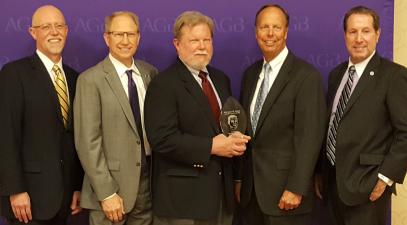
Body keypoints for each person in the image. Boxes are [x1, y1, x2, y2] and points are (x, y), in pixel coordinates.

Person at [144, 11, 250, 225]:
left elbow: (224, 125)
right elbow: (161, 139)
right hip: (184, 203)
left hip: (222, 197)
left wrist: (235, 140)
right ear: (177, 44)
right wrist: (211, 146)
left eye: (206, 40)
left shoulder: (221, 79)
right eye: (194, 40)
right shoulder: (163, 84)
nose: (202, 46)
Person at [314, 5, 407, 225]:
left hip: (368, 188)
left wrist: (385, 177)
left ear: (378, 34)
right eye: (352, 32)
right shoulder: (336, 74)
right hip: (333, 187)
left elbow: (405, 132)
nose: (359, 39)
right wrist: (320, 172)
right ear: (345, 35)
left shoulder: (394, 76)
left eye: (365, 31)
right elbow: (331, 126)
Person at [237, 4, 326, 225]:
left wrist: (296, 187)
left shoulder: (306, 76)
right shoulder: (250, 74)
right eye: (264, 27)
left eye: (276, 27)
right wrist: (240, 179)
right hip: (251, 196)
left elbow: (310, 137)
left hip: (286, 196)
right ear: (256, 32)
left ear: (286, 32)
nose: (270, 33)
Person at [0, 5, 83, 225]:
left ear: (66, 31)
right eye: (46, 26)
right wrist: (14, 190)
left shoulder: (76, 79)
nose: (54, 32)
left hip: (65, 200)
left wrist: (77, 185)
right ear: (33, 32)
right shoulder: (14, 74)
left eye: (59, 26)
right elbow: (6, 136)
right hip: (27, 201)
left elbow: (74, 138)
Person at [74, 11, 158, 225]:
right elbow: (87, 143)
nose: (125, 40)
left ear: (139, 37)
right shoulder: (90, 80)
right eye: (118, 34)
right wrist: (106, 193)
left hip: (149, 186)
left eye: (131, 34)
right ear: (106, 38)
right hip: (112, 191)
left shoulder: (150, 73)